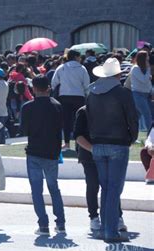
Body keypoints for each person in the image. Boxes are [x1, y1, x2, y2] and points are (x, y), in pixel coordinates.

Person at [86, 58, 138, 243]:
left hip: (98, 144)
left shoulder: (91, 93)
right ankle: (110, 231)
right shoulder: (122, 92)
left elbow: (89, 118)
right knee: (114, 189)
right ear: (117, 75)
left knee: (106, 188)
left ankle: (105, 228)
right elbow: (132, 117)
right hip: (118, 143)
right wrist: (131, 138)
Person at [20, 75, 65, 235]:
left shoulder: (27, 107)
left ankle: (43, 225)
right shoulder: (57, 105)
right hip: (52, 152)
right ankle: (60, 223)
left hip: (34, 151)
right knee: (54, 188)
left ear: (34, 89)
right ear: (48, 87)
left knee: (36, 190)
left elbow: (24, 130)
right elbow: (62, 127)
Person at [74, 105, 128, 232]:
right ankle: (93, 217)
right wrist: (94, 150)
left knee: (111, 185)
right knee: (93, 185)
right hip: (88, 154)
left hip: (108, 154)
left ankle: (117, 216)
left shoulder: (111, 108)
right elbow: (78, 136)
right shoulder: (83, 111)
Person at [51, 49, 90, 150]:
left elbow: (54, 83)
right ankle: (79, 145)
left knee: (66, 121)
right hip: (79, 97)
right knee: (79, 120)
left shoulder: (61, 67)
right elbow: (86, 85)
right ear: (76, 57)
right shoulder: (82, 68)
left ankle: (67, 143)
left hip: (64, 97)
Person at [130, 51, 153, 131]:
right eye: (147, 59)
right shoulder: (135, 68)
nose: (148, 60)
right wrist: (149, 69)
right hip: (138, 94)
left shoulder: (144, 69)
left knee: (136, 117)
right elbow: (144, 80)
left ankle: (130, 134)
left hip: (146, 95)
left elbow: (147, 83)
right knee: (147, 115)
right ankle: (150, 135)